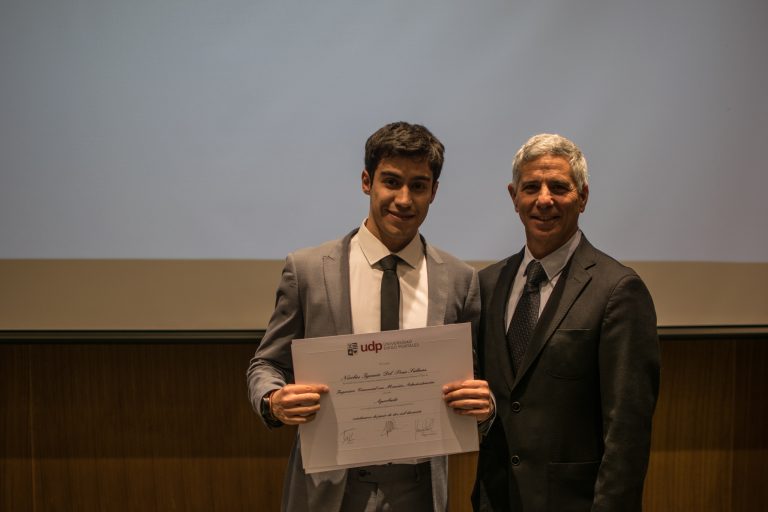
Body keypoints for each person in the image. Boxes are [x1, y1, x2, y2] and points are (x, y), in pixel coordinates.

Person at [248, 121, 493, 512]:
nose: (404, 199)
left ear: (434, 192)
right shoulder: (308, 270)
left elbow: (474, 378)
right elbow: (266, 364)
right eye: (391, 182)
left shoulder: (460, 280)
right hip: (329, 487)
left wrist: (484, 404)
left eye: (418, 185)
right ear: (367, 181)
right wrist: (273, 400)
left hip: (421, 489)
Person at [472, 133, 660, 511]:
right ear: (514, 197)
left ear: (583, 197)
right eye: (531, 187)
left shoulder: (618, 290)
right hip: (497, 500)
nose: (544, 200)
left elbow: (627, 433)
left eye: (559, 187)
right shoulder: (487, 285)